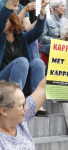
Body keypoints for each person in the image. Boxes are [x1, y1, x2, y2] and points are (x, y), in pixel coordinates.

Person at [0, 1, 49, 150]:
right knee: (21, 61)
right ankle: (14, 99)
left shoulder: (22, 38)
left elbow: (38, 31)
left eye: (10, 19)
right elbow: (1, 18)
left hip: (20, 80)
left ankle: (35, 103)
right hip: (3, 83)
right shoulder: (1, 37)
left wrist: (42, 13)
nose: (7, 21)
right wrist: (9, 6)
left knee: (38, 62)